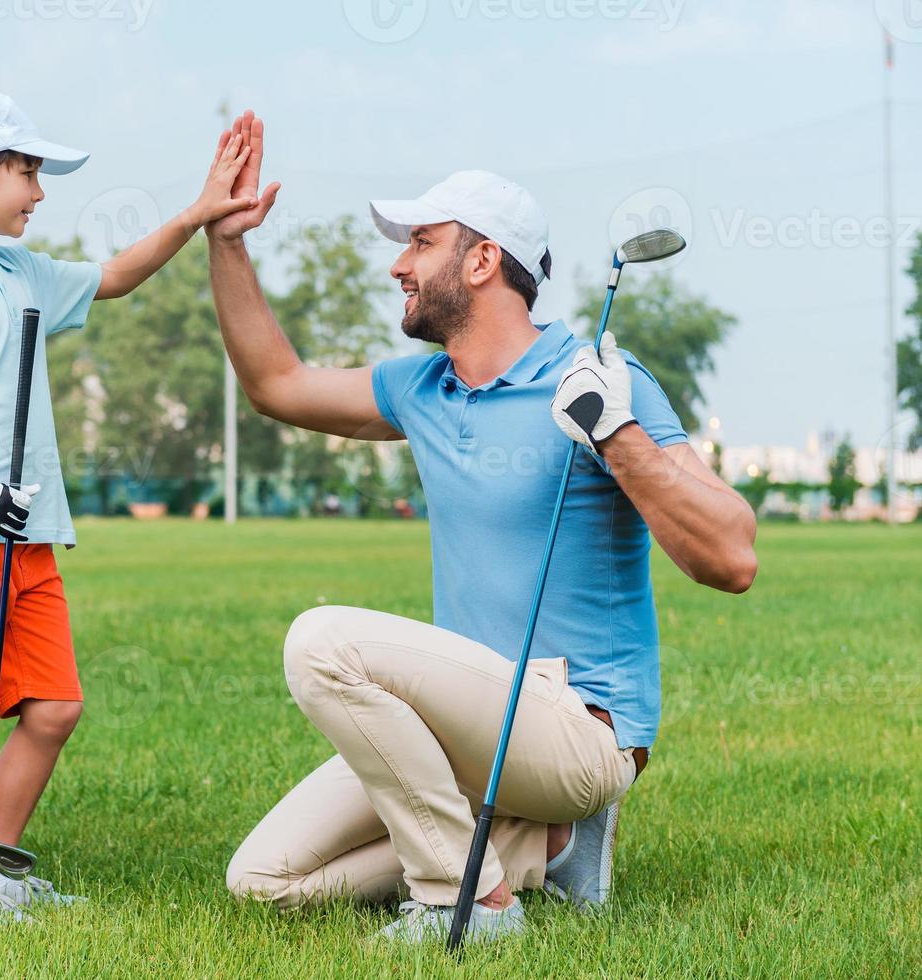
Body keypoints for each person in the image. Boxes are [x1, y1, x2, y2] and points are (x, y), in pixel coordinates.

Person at [209, 111, 757, 944]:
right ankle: (536, 847)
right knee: (263, 880)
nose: (398, 264)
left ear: (481, 259)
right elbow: (276, 385)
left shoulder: (600, 378)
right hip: (467, 726)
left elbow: (730, 556)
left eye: (419, 244)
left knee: (323, 643)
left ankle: (468, 903)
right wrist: (226, 241)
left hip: (577, 730)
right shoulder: (420, 388)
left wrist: (614, 432)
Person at [0, 87, 256, 921]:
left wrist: (195, 214)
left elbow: (114, 276)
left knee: (54, 706)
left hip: (28, 532)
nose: (38, 191)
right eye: (26, 172)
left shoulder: (21, 271)